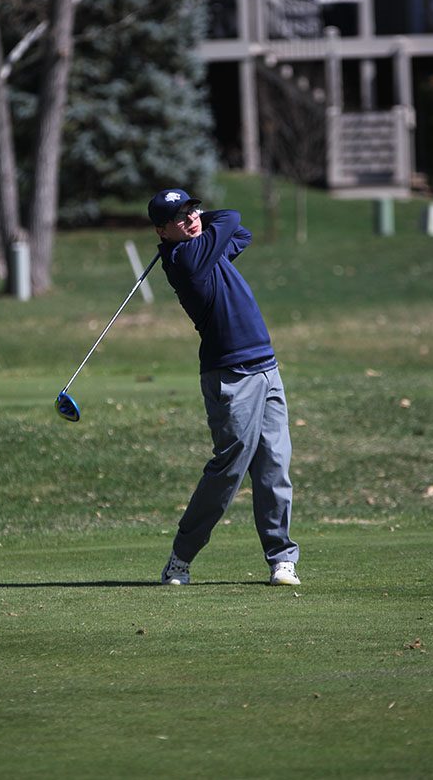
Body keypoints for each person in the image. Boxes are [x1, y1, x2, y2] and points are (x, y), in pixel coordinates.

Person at [147, 188, 300, 586]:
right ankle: (180, 557)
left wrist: (191, 221)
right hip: (231, 377)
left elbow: (241, 235)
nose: (192, 219)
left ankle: (281, 557)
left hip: (267, 368)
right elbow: (231, 217)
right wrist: (199, 224)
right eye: (180, 218)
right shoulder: (185, 260)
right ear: (162, 232)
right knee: (227, 472)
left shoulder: (201, 248)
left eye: (193, 211)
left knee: (274, 466)